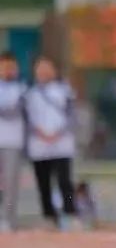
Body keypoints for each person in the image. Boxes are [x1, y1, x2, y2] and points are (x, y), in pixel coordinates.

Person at [24, 57, 79, 230]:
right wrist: (40, 133)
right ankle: (49, 216)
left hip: (61, 144)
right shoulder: (29, 93)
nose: (44, 72)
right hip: (39, 144)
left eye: (47, 68)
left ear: (54, 71)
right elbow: (28, 118)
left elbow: (71, 115)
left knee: (65, 181)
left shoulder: (65, 90)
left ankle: (71, 214)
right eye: (40, 68)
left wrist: (57, 133)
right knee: (43, 182)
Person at [0, 51, 26, 232]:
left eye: (12, 67)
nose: (9, 70)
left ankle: (8, 219)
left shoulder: (23, 90)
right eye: (5, 67)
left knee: (11, 184)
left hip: (13, 141)